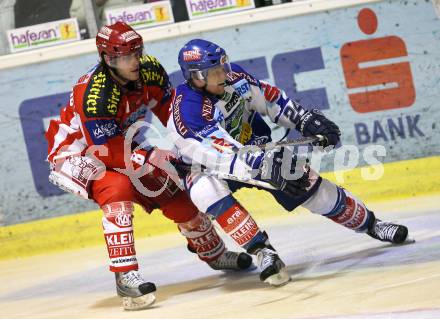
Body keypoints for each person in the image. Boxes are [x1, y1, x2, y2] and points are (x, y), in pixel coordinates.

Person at [167, 39, 411, 286]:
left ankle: (371, 224)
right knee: (206, 192)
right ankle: (263, 251)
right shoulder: (188, 110)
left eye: (223, 67)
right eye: (214, 72)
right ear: (196, 76)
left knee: (305, 184)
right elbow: (221, 154)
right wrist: (263, 165)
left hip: (253, 146)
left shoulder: (234, 78)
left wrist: (303, 119)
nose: (223, 75)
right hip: (204, 165)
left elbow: (271, 100)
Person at [44, 24, 252, 311]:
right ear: (106, 59)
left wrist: (192, 144)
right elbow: (103, 150)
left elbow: (171, 115)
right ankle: (125, 275)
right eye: (122, 58)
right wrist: (151, 156)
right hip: (79, 150)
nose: (132, 62)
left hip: (123, 144)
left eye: (135, 54)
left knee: (172, 190)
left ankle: (215, 253)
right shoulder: (94, 93)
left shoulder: (151, 70)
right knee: (117, 188)